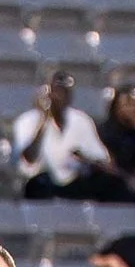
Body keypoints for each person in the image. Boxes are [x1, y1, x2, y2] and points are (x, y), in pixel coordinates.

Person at [11, 70, 113, 201]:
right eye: (55, 91)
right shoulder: (27, 121)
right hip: (39, 183)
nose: (59, 97)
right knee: (41, 183)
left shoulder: (82, 120)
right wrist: (43, 121)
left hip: (74, 182)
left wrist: (84, 159)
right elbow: (29, 158)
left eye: (64, 92)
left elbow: (101, 159)